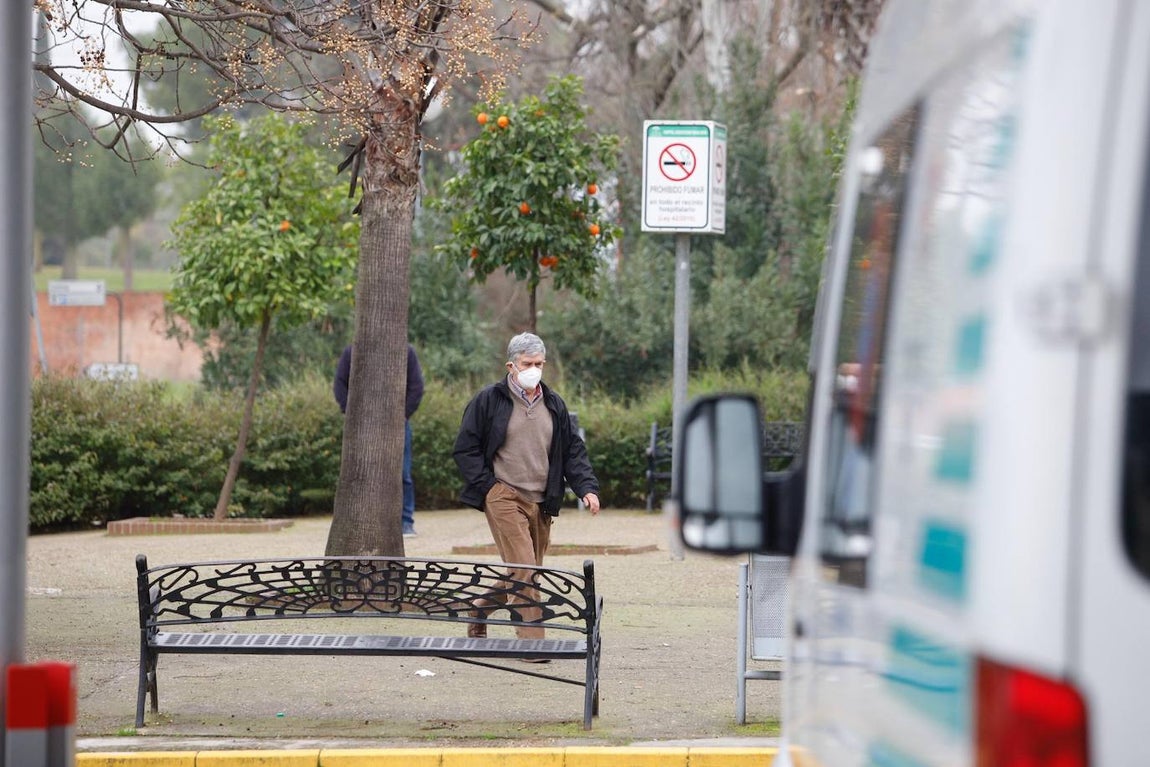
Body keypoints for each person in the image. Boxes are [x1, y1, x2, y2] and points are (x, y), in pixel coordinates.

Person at [453, 332, 600, 647]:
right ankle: (533, 644)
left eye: (539, 363)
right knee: (526, 569)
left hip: (541, 500)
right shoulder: (489, 400)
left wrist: (586, 487)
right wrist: (489, 489)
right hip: (504, 496)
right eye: (527, 363)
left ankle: (479, 610)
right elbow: (465, 449)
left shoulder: (554, 403)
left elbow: (573, 450)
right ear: (511, 365)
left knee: (525, 570)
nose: (534, 368)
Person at [334, 343, 425, 537]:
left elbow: (417, 386)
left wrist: (403, 415)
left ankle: (406, 522)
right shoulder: (352, 351)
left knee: (402, 474)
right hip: (361, 424)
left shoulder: (406, 352)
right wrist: (350, 412)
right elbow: (340, 384)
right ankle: (362, 522)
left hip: (397, 424)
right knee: (360, 474)